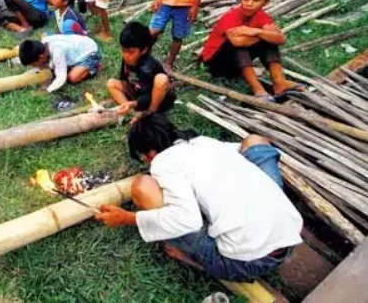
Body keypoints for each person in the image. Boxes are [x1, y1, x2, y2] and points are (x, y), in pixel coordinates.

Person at [95, 114, 303, 282]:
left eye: (144, 158)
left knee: (143, 187)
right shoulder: (203, 142)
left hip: (246, 262)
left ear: (150, 152)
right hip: (290, 233)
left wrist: (127, 218)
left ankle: (190, 258)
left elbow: (187, 220)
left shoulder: (162, 161)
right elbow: (242, 149)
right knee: (255, 142)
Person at [201, 0, 305, 100]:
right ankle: (258, 89)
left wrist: (255, 31)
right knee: (242, 45)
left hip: (238, 66)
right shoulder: (230, 16)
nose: (249, 4)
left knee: (269, 42)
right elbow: (238, 42)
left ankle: (279, 82)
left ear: (266, 2)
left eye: (256, 0)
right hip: (218, 65)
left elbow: (281, 39)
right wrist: (264, 34)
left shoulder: (261, 16)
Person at [107, 22, 176, 122]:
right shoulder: (127, 59)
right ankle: (130, 110)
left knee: (161, 79)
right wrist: (130, 101)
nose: (125, 55)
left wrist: (134, 103)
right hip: (138, 92)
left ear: (143, 50)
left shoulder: (148, 67)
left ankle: (150, 113)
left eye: (130, 52)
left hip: (154, 97)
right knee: (111, 83)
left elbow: (148, 96)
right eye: (123, 50)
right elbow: (123, 79)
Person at [19, 35, 102, 93]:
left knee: (72, 77)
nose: (35, 67)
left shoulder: (57, 51)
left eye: (34, 64)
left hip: (90, 52)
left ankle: (94, 67)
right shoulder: (43, 44)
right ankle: (77, 66)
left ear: (41, 57)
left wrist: (48, 90)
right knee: (54, 69)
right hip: (79, 48)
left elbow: (61, 77)